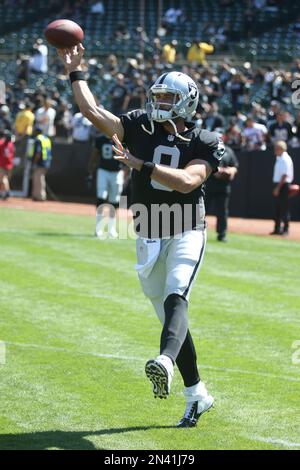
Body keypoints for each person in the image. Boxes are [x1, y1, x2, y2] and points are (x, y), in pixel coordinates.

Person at [57, 44, 225, 428]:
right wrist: (75, 72)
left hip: (185, 227)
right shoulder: (138, 124)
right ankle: (197, 393)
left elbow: (188, 182)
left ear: (186, 104)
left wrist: (142, 165)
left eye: (167, 98)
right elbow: (91, 111)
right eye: (157, 96)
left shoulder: (207, 140)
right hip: (148, 232)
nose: (159, 102)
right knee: (169, 314)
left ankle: (163, 361)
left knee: (176, 294)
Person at [87, 131, 126, 238]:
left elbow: (126, 156)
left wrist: (126, 172)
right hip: (103, 170)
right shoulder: (100, 139)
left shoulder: (121, 140)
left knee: (114, 201)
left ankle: (111, 228)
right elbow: (94, 154)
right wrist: (90, 169)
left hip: (117, 172)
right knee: (101, 197)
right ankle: (98, 228)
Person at [204, 131, 239, 242]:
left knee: (222, 211)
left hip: (223, 187)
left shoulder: (228, 150)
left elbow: (235, 166)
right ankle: (195, 231)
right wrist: (217, 171)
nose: (218, 138)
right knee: (202, 210)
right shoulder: (207, 149)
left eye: (220, 136)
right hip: (209, 185)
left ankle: (222, 234)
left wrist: (231, 171)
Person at [271, 140, 294, 236]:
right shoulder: (278, 157)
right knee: (278, 208)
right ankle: (277, 229)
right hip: (279, 184)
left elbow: (284, 175)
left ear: (281, 149)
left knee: (284, 208)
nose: (274, 150)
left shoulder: (285, 159)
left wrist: (278, 188)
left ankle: (286, 229)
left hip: (283, 185)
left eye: (276, 148)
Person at [28, 127, 52, 201]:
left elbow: (38, 153)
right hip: (46, 162)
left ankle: (40, 196)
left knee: (38, 179)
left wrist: (34, 162)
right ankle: (37, 195)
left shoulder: (38, 139)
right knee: (39, 178)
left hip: (40, 162)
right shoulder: (46, 139)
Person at [0, 130, 15, 200]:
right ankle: (5, 192)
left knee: (3, 179)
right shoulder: (11, 145)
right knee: (5, 179)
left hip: (3, 164)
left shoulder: (1, 143)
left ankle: (7, 192)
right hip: (9, 165)